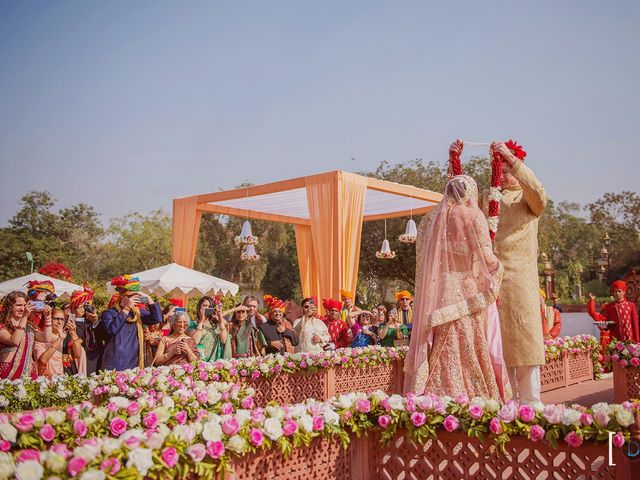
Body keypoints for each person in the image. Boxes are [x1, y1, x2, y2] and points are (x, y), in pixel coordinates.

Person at [404, 175, 510, 401]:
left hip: (440, 289)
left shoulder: (433, 219)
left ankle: (435, 392)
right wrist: (501, 269)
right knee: (468, 339)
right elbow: (486, 256)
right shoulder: (473, 215)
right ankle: (471, 394)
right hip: (465, 287)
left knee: (442, 337)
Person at [469, 139, 546, 404]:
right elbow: (460, 206)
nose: (501, 174)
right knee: (493, 345)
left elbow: (538, 192)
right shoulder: (487, 198)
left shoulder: (528, 198)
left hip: (519, 280)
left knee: (525, 343)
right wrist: (454, 160)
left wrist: (512, 159)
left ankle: (531, 408)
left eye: (506, 169)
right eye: (498, 170)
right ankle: (502, 406)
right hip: (489, 281)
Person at [100, 275, 162, 371]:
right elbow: (111, 330)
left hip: (134, 362)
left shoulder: (137, 312)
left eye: (136, 295)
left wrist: (149, 300)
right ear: (122, 295)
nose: (135, 298)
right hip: (115, 362)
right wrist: (126, 308)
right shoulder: (109, 313)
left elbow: (156, 319)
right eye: (131, 296)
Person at [0, 291, 53, 380]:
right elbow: (15, 341)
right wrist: (24, 317)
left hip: (28, 373)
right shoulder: (2, 326)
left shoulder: (29, 326)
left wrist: (47, 317)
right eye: (18, 305)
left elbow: (46, 338)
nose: (22, 308)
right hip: (8, 372)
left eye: (25, 305)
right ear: (10, 306)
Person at [34, 308, 84, 377]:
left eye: (62, 319)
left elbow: (78, 354)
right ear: (49, 319)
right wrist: (60, 339)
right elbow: (42, 360)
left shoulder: (67, 337)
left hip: (64, 375)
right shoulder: (41, 337)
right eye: (56, 319)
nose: (59, 322)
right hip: (47, 377)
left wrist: (74, 333)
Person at [588, 280, 639, 347]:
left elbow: (635, 324)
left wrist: (637, 341)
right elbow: (600, 318)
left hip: (630, 341)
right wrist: (592, 301)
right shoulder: (609, 307)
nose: (617, 293)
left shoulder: (631, 305)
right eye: (615, 291)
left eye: (619, 291)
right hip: (615, 342)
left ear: (624, 292)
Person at [69, 285, 98, 374]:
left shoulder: (89, 320)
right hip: (78, 356)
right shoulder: (70, 323)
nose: (83, 309)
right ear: (73, 309)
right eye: (80, 307)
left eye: (84, 307)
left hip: (91, 355)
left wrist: (95, 320)